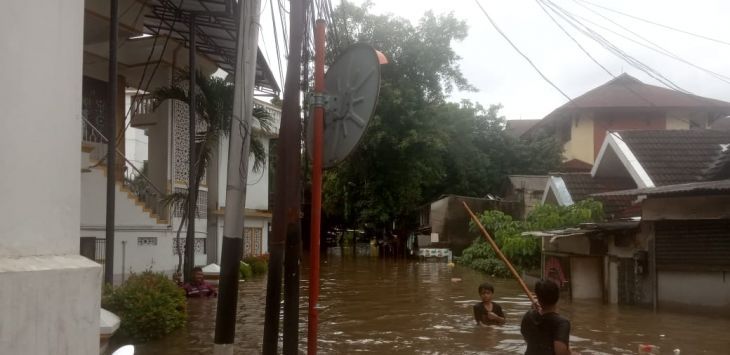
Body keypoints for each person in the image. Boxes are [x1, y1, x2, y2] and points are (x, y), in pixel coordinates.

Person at [520, 279, 572, 355]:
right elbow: (560, 352)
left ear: (538, 297)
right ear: (557, 296)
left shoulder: (528, 315)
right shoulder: (562, 323)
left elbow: (526, 337)